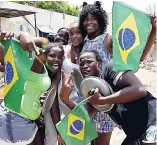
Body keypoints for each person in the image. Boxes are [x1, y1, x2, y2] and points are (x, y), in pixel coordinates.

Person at [78, 1, 157, 144]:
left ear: (101, 19)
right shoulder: (83, 41)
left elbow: (137, 57)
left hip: (111, 96)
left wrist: (154, 31)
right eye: (85, 19)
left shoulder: (107, 40)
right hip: (94, 97)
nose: (88, 22)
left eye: (92, 19)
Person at [60, 50, 157, 145]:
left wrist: (102, 100)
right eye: (81, 64)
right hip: (134, 132)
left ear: (99, 63)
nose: (85, 66)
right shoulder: (91, 89)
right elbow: (86, 113)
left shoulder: (111, 69)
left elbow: (139, 90)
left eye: (89, 62)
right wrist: (65, 98)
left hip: (152, 120)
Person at [0, 31, 52, 144]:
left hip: (25, 123)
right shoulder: (36, 66)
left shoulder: (39, 70)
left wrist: (23, 36)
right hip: (14, 121)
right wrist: (22, 36)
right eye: (42, 51)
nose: (46, 55)